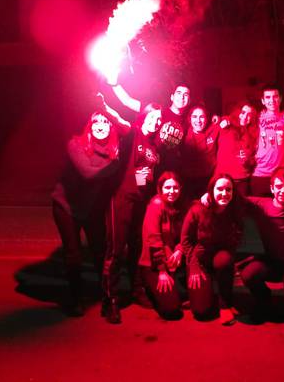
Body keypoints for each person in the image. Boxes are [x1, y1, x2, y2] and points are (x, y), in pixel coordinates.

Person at [51, 111, 121, 316]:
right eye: (96, 121)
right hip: (66, 207)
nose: (100, 125)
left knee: (100, 251)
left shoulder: (113, 150)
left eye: (106, 122)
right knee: (73, 253)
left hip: (91, 208)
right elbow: (88, 173)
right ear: (89, 126)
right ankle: (76, 298)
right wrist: (115, 165)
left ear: (112, 128)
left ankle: (105, 295)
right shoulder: (76, 144)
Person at [101, 104, 162, 324]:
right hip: (121, 198)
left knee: (137, 247)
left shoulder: (154, 144)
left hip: (140, 201)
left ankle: (137, 290)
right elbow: (119, 121)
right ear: (144, 116)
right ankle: (111, 299)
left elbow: (145, 175)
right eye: (152, 116)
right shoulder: (133, 133)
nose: (156, 121)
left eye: (159, 119)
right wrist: (103, 105)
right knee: (116, 249)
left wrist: (145, 181)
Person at [234, 167, 284, 322]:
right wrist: (207, 197)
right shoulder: (262, 205)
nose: (283, 191)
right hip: (268, 262)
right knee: (248, 274)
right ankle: (263, 298)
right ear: (272, 188)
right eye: (279, 186)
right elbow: (235, 198)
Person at [182, 173, 243, 325]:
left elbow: (238, 234)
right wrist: (193, 265)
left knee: (224, 260)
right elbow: (185, 239)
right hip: (199, 258)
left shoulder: (234, 209)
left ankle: (225, 305)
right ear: (211, 190)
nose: (224, 193)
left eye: (228, 189)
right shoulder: (198, 209)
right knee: (201, 312)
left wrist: (232, 256)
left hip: (220, 258)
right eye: (219, 189)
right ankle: (200, 296)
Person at [138, 171, 188, 320]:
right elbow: (153, 240)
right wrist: (161, 271)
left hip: (170, 258)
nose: (172, 191)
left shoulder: (178, 205)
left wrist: (180, 250)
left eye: (175, 187)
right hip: (154, 263)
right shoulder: (156, 205)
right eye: (167, 187)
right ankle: (146, 286)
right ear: (160, 189)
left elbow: (185, 234)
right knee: (172, 309)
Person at [250, 84, 284, 196]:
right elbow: (238, 120)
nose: (272, 100)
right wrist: (222, 119)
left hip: (282, 174)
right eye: (268, 97)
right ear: (263, 101)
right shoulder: (257, 117)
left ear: (280, 98)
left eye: (275, 96)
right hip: (260, 173)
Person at [214, 101, 258, 197]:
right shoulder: (226, 124)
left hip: (242, 178)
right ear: (237, 112)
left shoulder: (253, 134)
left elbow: (252, 157)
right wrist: (218, 119)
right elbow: (215, 121)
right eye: (243, 112)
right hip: (224, 177)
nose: (245, 117)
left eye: (249, 115)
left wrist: (248, 160)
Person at [180, 104, 219, 198]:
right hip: (189, 181)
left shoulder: (214, 129)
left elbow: (230, 120)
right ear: (190, 119)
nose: (198, 120)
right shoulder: (184, 133)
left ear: (207, 118)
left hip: (209, 179)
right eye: (194, 117)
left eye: (201, 117)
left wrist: (223, 119)